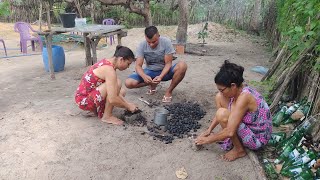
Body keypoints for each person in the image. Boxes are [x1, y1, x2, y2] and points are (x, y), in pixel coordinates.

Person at [195, 60, 272, 161]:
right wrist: (209, 130)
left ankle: (239, 150)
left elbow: (230, 131)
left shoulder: (244, 97)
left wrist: (207, 140)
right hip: (248, 128)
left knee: (223, 114)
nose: (221, 92)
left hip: (257, 138)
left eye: (222, 90)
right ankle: (228, 138)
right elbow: (220, 116)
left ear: (233, 86)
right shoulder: (239, 90)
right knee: (219, 98)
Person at [75, 45, 139, 125]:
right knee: (117, 83)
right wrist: (128, 106)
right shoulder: (109, 70)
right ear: (121, 59)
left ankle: (96, 110)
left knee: (121, 91)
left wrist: (128, 103)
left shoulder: (107, 62)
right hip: (84, 101)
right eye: (128, 64)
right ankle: (107, 116)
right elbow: (112, 99)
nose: (128, 67)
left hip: (85, 96)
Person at [125, 26, 187, 103]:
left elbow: (168, 63)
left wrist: (160, 76)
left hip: (165, 72)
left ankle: (169, 91)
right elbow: (138, 66)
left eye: (154, 42)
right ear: (145, 38)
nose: (151, 45)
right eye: (149, 42)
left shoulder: (166, 42)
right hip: (150, 71)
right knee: (128, 83)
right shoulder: (142, 45)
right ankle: (152, 83)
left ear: (159, 36)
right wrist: (144, 77)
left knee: (182, 65)